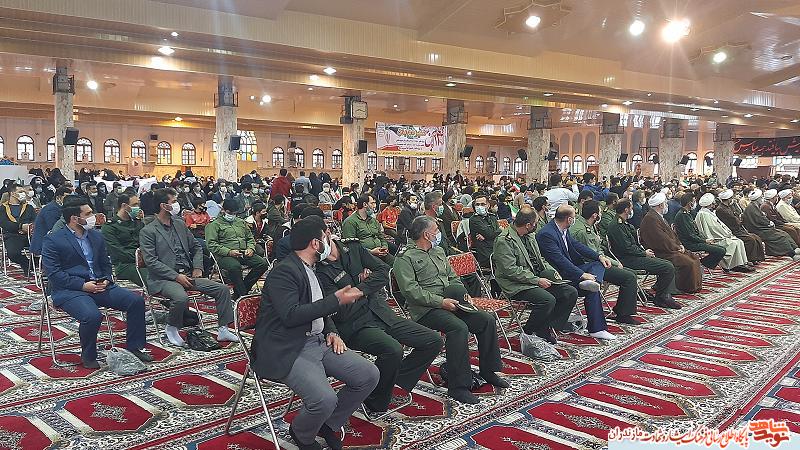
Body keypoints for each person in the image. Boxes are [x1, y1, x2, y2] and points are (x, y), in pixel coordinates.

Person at [251, 216, 379, 450]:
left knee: (368, 375)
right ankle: (302, 433)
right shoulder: (284, 272)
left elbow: (317, 308)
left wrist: (331, 331)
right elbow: (291, 315)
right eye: (325, 237)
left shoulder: (311, 268)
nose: (330, 241)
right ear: (315, 243)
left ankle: (329, 424)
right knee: (324, 399)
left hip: (317, 341)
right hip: (287, 347)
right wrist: (335, 301)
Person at [317, 234, 441, 415]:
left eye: (318, 238)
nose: (315, 245)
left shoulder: (353, 248)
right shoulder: (318, 268)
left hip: (381, 313)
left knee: (433, 340)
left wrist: (358, 290)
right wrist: (368, 286)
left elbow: (384, 271)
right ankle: (375, 400)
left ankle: (391, 381)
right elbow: (339, 309)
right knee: (393, 349)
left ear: (327, 233)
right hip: (354, 325)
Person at [393, 215, 508, 405]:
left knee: (486, 320)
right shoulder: (405, 258)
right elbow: (411, 291)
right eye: (436, 230)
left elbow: (453, 277)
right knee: (458, 328)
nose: (439, 233)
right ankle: (458, 386)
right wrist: (441, 302)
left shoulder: (438, 251)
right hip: (427, 310)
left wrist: (462, 294)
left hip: (451, 302)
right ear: (426, 234)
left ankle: (488, 371)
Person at [41, 197, 151, 368]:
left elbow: (106, 264)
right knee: (92, 316)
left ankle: (135, 347)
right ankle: (88, 355)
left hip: (100, 285)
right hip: (71, 290)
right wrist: (83, 285)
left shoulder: (96, 236)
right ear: (75, 218)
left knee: (136, 301)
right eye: (88, 214)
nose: (94, 216)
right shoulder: (54, 240)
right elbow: (54, 274)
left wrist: (106, 279)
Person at [139, 188, 238, 347]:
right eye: (173, 201)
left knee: (222, 289)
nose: (177, 204)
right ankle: (172, 327)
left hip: (187, 274)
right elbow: (151, 262)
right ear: (164, 206)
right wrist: (176, 276)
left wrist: (198, 267)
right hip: (163, 279)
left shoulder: (179, 224)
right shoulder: (148, 231)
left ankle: (223, 329)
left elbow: (196, 247)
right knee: (181, 298)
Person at [492, 207, 578, 351]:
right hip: (515, 283)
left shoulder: (530, 236)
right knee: (547, 300)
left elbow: (540, 259)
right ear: (528, 225)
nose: (537, 225)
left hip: (536, 277)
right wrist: (536, 280)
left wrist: (552, 272)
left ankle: (545, 326)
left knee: (570, 292)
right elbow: (510, 270)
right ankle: (529, 331)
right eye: (535, 223)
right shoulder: (504, 240)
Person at [536, 205, 616, 340]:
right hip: (559, 274)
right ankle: (597, 328)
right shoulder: (547, 234)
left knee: (597, 266)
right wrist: (582, 274)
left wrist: (599, 256)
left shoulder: (563, 229)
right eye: (574, 217)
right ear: (569, 219)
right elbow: (559, 260)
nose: (575, 219)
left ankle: (593, 283)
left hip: (571, 269)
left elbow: (577, 245)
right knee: (592, 289)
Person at [570, 200, 641, 324]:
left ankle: (622, 309)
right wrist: (615, 263)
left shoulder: (586, 224)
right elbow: (593, 255)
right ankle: (623, 314)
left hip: (597, 262)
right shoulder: (583, 231)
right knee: (629, 277)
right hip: (590, 266)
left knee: (631, 273)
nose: (601, 214)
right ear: (594, 215)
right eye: (600, 212)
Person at [606, 199, 681, 309]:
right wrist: (643, 253)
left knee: (667, 264)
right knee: (667, 267)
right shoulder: (617, 225)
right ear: (626, 210)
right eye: (631, 208)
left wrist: (643, 251)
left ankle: (662, 294)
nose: (632, 210)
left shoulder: (623, 223)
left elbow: (634, 243)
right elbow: (627, 248)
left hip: (634, 256)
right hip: (627, 259)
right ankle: (662, 297)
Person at [205, 198, 270, 298]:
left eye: (234, 213)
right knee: (235, 267)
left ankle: (241, 289)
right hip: (224, 256)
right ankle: (242, 295)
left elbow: (250, 238)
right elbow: (211, 244)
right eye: (230, 213)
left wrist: (251, 248)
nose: (232, 215)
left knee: (262, 264)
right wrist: (229, 252)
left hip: (243, 252)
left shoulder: (241, 222)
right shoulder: (214, 225)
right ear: (223, 210)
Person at [639, 192, 703, 294]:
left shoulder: (658, 216)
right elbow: (661, 240)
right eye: (665, 203)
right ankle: (683, 287)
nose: (667, 205)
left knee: (694, 257)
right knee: (688, 262)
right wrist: (676, 247)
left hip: (669, 248)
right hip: (661, 251)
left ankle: (693, 286)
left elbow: (672, 235)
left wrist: (679, 244)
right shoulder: (650, 219)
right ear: (660, 205)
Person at [694, 193, 752, 272]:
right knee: (733, 243)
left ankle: (741, 263)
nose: (714, 204)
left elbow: (718, 225)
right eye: (713, 202)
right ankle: (731, 265)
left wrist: (726, 232)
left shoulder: (707, 212)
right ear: (710, 204)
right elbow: (713, 228)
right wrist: (725, 234)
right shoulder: (704, 214)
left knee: (739, 242)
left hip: (720, 235)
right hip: (715, 238)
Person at [674, 193, 727, 271]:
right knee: (720, 251)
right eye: (694, 201)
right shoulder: (682, 215)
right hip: (690, 244)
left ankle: (701, 264)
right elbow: (690, 235)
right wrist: (704, 240)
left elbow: (695, 231)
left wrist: (704, 239)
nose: (695, 203)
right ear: (690, 203)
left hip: (694, 241)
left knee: (722, 249)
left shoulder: (687, 214)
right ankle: (701, 263)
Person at [101, 193, 146, 285]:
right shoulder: (110, 227)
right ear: (124, 206)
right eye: (134, 205)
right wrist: (141, 257)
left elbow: (147, 244)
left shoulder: (138, 223)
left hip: (146, 261)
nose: (138, 208)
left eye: (138, 204)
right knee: (152, 279)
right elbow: (118, 252)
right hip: (125, 265)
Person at [742, 189, 800, 259]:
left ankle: (795, 248)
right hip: (758, 230)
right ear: (757, 199)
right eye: (761, 197)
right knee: (781, 237)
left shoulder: (755, 206)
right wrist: (769, 223)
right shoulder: (752, 208)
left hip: (763, 228)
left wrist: (769, 223)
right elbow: (760, 220)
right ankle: (791, 253)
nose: (762, 199)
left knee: (784, 233)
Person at [715, 189, 766, 264]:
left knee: (756, 237)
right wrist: (739, 220)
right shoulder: (721, 209)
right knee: (750, 239)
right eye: (731, 198)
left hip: (738, 228)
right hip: (732, 231)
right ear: (729, 199)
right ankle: (749, 259)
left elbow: (736, 216)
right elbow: (733, 221)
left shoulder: (728, 207)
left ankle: (756, 258)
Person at [341, 195, 394, 265]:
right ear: (365, 204)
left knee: (398, 264)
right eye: (372, 203)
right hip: (365, 256)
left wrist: (384, 247)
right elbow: (351, 246)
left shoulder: (373, 220)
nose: (375, 206)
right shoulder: (350, 222)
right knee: (385, 268)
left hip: (380, 252)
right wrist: (371, 251)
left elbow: (381, 237)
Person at [0, 184, 35, 275]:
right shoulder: (3, 208)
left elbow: (35, 220)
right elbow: (4, 223)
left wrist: (29, 227)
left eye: (24, 192)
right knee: (13, 253)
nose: (23, 194)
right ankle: (28, 264)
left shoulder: (29, 207)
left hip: (29, 234)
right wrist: (20, 226)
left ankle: (38, 264)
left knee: (47, 247)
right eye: (20, 192)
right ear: (12, 193)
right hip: (12, 235)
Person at [30, 186, 72, 255]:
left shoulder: (59, 207)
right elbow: (54, 229)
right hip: (43, 245)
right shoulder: (51, 209)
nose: (69, 200)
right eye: (67, 198)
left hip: (51, 242)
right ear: (58, 198)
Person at [468, 192, 500, 268]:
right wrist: (499, 230)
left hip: (497, 246)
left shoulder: (492, 217)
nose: (480, 206)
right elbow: (490, 234)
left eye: (483, 204)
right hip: (485, 252)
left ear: (488, 205)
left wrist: (488, 236)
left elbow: (496, 235)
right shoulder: (474, 219)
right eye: (477, 204)